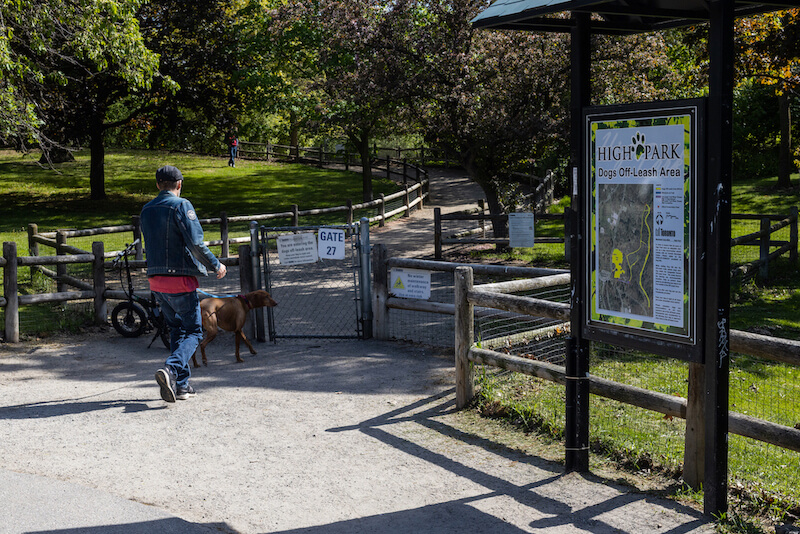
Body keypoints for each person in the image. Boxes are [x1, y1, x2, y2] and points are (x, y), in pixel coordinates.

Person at [140, 165, 227, 403]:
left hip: (156, 281)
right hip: (180, 280)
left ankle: (181, 385)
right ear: (180, 184)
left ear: (158, 185)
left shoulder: (146, 210)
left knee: (177, 329)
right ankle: (171, 369)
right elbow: (195, 243)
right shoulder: (181, 205)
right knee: (194, 331)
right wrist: (216, 265)